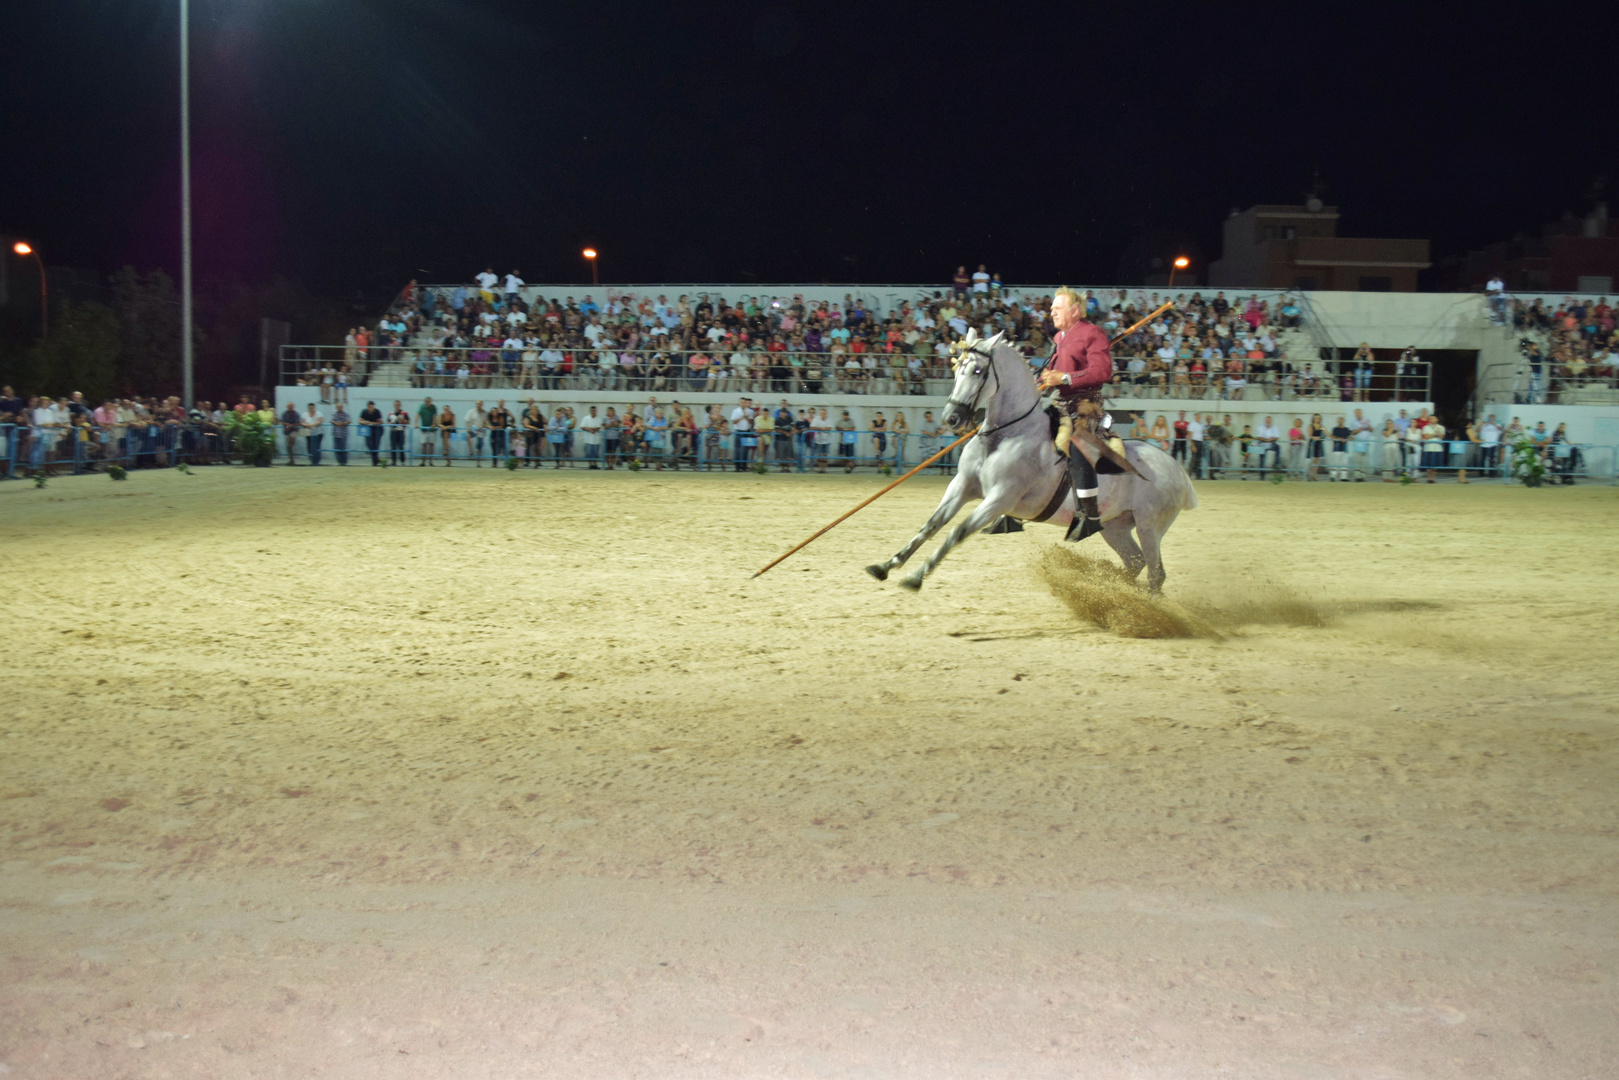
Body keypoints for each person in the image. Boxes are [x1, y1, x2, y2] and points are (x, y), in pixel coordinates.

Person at [1035, 286, 1117, 542]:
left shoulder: (1093, 333)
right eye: (1051, 309)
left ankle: (1089, 514)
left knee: (1078, 440)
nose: (1052, 312)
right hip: (1060, 401)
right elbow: (1053, 371)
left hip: (1086, 401)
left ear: (1074, 310)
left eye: (1057, 308)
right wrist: (1046, 377)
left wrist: (1065, 377)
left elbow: (1103, 372)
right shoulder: (1059, 337)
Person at [359, 400, 384, 465]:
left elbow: (380, 422)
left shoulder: (377, 411)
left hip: (377, 429)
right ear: (367, 407)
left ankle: (374, 461)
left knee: (376, 445)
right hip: (368, 430)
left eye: (372, 407)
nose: (371, 408)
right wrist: (365, 422)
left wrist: (371, 423)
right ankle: (376, 459)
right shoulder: (364, 412)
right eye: (370, 407)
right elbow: (360, 421)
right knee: (369, 444)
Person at [416, 396, 439, 465]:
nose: (428, 403)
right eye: (426, 402)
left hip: (431, 429)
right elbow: (418, 415)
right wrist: (416, 423)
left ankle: (431, 461)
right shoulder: (421, 407)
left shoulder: (433, 407)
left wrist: (434, 424)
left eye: (429, 402)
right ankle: (423, 461)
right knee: (424, 445)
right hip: (424, 429)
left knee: (431, 444)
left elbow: (435, 416)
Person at [386, 401, 409, 465]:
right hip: (393, 432)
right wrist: (390, 423)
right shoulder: (391, 413)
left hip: (401, 431)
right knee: (393, 447)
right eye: (396, 405)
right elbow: (387, 422)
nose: (397, 406)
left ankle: (402, 461)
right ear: (394, 405)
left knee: (401, 446)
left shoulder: (404, 413)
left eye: (398, 405)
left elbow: (408, 422)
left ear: (400, 405)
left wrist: (401, 420)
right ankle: (394, 461)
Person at [330, 401, 351, 465]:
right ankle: (339, 461)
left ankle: (344, 461)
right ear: (336, 407)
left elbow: (349, 421)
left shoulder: (346, 413)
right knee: (336, 448)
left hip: (343, 434)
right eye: (338, 407)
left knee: (343, 448)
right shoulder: (334, 413)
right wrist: (336, 423)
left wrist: (341, 424)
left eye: (340, 407)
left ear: (342, 407)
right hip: (336, 434)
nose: (339, 408)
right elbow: (332, 420)